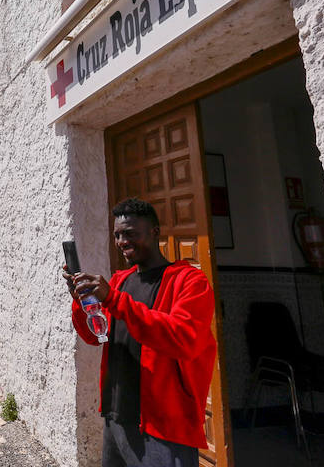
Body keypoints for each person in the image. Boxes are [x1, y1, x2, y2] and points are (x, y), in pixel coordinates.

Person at [63, 198, 217, 467]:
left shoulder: (190, 281)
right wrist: (81, 300)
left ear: (155, 232)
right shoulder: (121, 281)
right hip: (116, 416)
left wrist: (113, 300)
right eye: (118, 235)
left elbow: (182, 338)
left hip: (163, 427)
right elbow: (95, 335)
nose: (122, 241)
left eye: (131, 233)